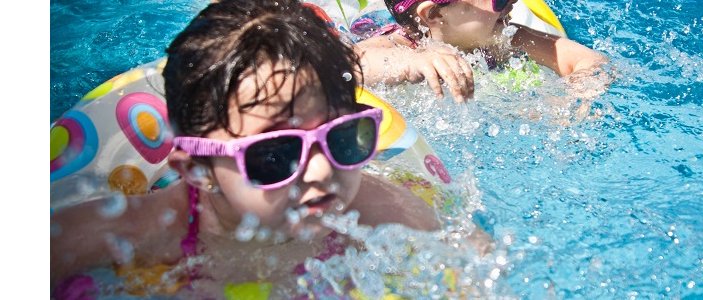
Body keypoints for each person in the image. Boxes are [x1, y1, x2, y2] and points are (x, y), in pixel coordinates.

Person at [51, 0, 442, 297]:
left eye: (342, 137)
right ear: (195, 170)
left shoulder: (386, 215)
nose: (322, 171)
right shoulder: (134, 235)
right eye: (275, 155)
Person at [354, 0, 612, 105]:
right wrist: (413, 62)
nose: (513, 2)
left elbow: (589, 60)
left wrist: (578, 95)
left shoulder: (507, 37)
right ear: (434, 14)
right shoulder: (401, 46)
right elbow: (351, 64)